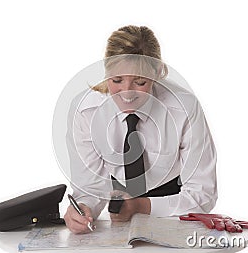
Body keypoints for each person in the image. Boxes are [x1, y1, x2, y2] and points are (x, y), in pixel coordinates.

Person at [63, 25, 217, 234]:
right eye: (117, 80)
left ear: (157, 73)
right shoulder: (85, 111)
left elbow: (203, 192)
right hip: (116, 216)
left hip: (173, 213)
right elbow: (90, 188)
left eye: (140, 82)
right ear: (106, 73)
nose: (126, 93)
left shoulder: (183, 108)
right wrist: (83, 209)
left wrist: (141, 206)